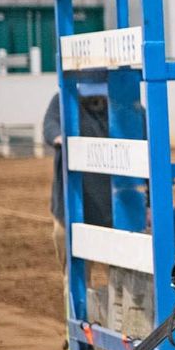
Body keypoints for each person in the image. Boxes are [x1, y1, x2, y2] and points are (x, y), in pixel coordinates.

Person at [43, 82, 113, 270]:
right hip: (71, 206)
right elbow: (50, 125)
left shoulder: (120, 104)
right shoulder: (63, 100)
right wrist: (58, 137)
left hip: (111, 206)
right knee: (74, 270)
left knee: (119, 270)